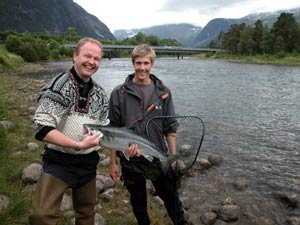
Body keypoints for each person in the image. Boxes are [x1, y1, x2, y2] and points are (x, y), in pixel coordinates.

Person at [29, 38, 110, 225]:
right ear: (75, 56)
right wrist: (78, 145)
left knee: (86, 215)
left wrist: (126, 147)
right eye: (87, 56)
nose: (92, 62)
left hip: (89, 162)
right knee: (40, 216)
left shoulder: (100, 93)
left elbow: (105, 129)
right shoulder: (59, 86)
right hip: (59, 161)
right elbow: (42, 129)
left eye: (97, 58)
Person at [109, 44, 188, 225]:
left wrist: (172, 158)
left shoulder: (164, 92)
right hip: (130, 160)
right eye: (138, 63)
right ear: (133, 64)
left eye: (146, 63)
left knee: (172, 200)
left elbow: (170, 128)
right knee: (138, 204)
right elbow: (112, 130)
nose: (142, 68)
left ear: (152, 64)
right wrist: (113, 162)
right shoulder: (118, 93)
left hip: (157, 157)